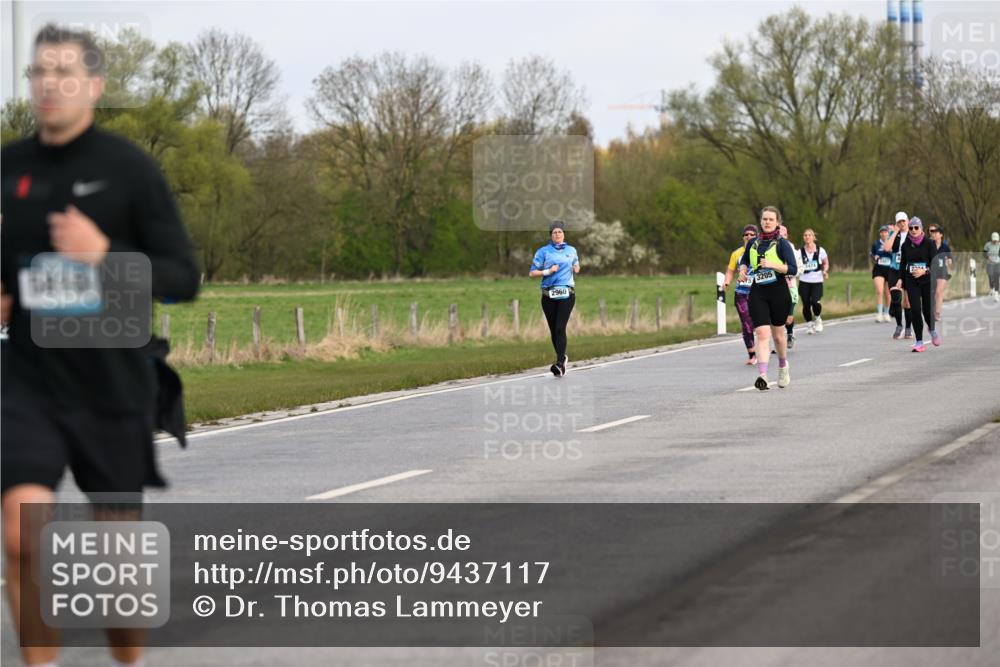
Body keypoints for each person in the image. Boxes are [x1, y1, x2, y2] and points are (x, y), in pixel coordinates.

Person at [1, 25, 200, 667]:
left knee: (117, 571)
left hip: (111, 384)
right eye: (40, 73)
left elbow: (182, 277)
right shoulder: (9, 170)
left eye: (65, 73)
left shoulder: (128, 170)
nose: (51, 85)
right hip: (27, 380)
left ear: (94, 86)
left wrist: (104, 256)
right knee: (21, 531)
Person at [738, 206, 798, 390]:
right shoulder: (753, 243)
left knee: (779, 337)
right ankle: (762, 375)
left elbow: (793, 269)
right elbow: (746, 261)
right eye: (764, 219)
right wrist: (742, 271)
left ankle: (782, 366)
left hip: (779, 291)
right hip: (758, 292)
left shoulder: (782, 244)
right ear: (761, 221)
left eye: (771, 219)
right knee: (763, 334)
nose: (767, 222)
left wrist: (774, 265)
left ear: (777, 222)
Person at [530, 220, 580, 377]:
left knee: (560, 328)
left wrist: (576, 268)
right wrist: (548, 271)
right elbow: (532, 273)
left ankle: (559, 363)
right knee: (553, 331)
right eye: (554, 232)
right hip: (548, 295)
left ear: (564, 234)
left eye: (559, 232)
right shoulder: (543, 252)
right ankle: (562, 357)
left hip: (567, 294)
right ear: (551, 235)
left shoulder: (571, 250)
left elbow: (576, 264)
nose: (557, 234)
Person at [895, 216, 939, 351]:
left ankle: (932, 330)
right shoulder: (905, 245)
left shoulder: (929, 244)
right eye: (911, 228)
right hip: (911, 280)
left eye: (916, 228)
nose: (913, 230)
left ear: (921, 228)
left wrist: (924, 270)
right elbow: (903, 264)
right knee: (915, 309)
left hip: (927, 280)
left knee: (926, 310)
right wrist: (900, 278)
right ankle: (919, 342)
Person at [724, 224, 758, 364]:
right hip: (741, 292)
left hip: (758, 292)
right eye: (746, 234)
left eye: (752, 234)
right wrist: (727, 282)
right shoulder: (736, 254)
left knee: (759, 323)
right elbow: (731, 270)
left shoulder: (761, 250)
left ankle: (762, 345)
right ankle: (752, 354)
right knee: (746, 323)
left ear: (756, 236)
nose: (749, 236)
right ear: (743, 237)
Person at [884, 212, 913, 339]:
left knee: (907, 302)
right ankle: (899, 325)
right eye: (899, 222)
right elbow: (887, 248)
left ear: (908, 221)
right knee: (896, 298)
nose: (901, 224)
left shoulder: (913, 233)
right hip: (894, 269)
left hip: (908, 270)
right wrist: (895, 232)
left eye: (903, 221)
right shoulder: (893, 234)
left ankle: (908, 328)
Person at [797, 229, 829, 334]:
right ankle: (809, 325)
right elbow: (796, 265)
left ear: (813, 237)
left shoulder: (820, 250)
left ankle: (818, 319)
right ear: (803, 237)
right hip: (804, 281)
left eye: (809, 235)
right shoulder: (799, 252)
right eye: (805, 235)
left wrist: (825, 271)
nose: (807, 237)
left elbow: (826, 263)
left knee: (815, 302)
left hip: (817, 281)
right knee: (806, 304)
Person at [778, 224, 798, 348]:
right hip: (776, 287)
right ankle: (778, 343)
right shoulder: (771, 248)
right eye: (779, 234)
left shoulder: (793, 250)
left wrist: (789, 271)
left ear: (787, 236)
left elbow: (799, 268)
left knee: (788, 319)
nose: (781, 237)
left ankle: (790, 333)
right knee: (777, 318)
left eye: (784, 235)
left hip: (790, 288)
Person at [928, 224, 952, 322]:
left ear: (941, 235)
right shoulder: (929, 245)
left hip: (942, 271)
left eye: (936, 232)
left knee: (939, 292)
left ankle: (937, 313)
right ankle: (932, 312)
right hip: (931, 271)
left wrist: (948, 261)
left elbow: (950, 259)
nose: (933, 234)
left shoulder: (945, 246)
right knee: (932, 293)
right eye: (932, 232)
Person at [871, 225, 895, 322]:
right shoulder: (876, 244)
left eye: (885, 232)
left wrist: (889, 251)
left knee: (888, 293)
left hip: (889, 269)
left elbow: (896, 255)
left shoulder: (892, 243)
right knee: (879, 291)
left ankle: (886, 313)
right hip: (879, 269)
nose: (883, 234)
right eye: (882, 232)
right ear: (880, 233)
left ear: (888, 233)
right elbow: (871, 254)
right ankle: (879, 314)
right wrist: (874, 257)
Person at [984, 231, 1000, 301]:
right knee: (990, 276)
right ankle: (992, 288)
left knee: (996, 277)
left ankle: (996, 293)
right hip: (990, 263)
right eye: (994, 240)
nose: (995, 241)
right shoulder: (988, 245)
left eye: (996, 240)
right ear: (992, 239)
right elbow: (984, 253)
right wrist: (988, 257)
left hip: (997, 263)